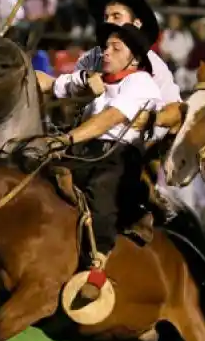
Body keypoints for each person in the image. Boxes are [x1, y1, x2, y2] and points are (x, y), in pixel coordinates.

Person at [25, 22, 162, 308]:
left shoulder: (141, 82)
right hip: (84, 150)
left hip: (119, 154)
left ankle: (97, 267)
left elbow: (111, 117)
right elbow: (47, 82)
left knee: (102, 191)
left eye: (116, 48)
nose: (107, 52)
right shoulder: (96, 79)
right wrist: (20, 71)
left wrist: (67, 138)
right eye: (106, 47)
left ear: (134, 57)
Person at [37, 0, 181, 105]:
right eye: (106, 17)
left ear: (136, 24)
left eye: (116, 16)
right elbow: (71, 97)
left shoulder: (155, 67)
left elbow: (173, 109)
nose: (108, 22)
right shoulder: (91, 58)